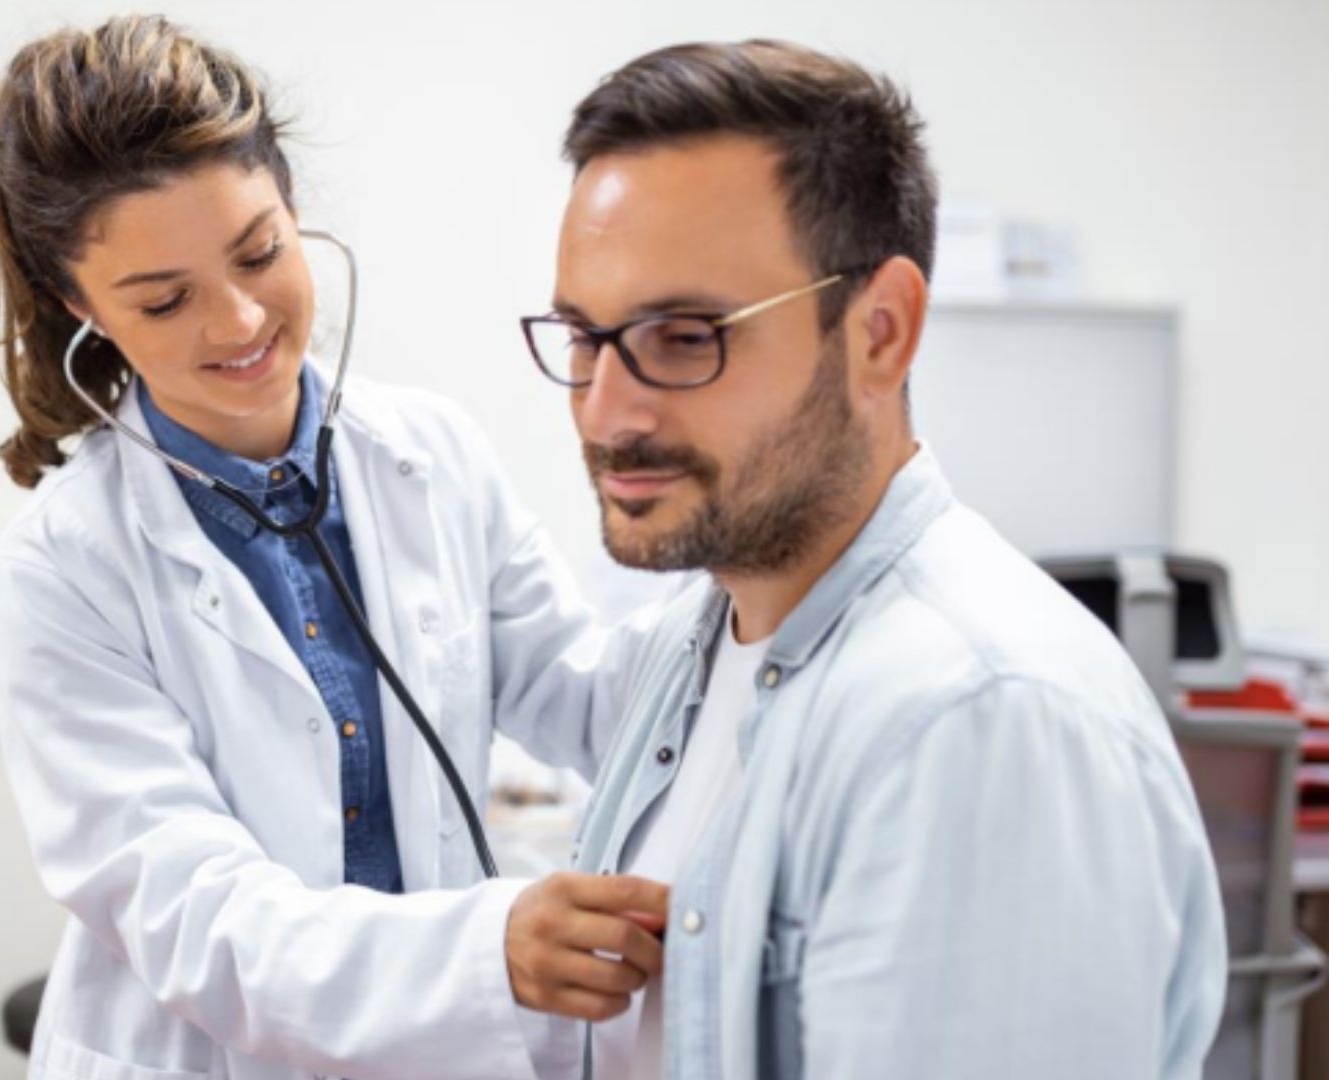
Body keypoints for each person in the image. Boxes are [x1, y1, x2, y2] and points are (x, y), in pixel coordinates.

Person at [518, 39, 1228, 1079]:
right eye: (586, 337)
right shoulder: (698, 640)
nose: (607, 410)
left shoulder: (976, 721)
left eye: (683, 336)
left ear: (881, 332)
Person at [0, 17, 666, 1080]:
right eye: (164, 300)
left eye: (260, 251)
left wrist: (761, 594)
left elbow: (584, 694)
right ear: (81, 307)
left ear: (295, 213)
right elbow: (196, 915)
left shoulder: (430, 454)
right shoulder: (61, 571)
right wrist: (481, 951)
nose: (240, 319)